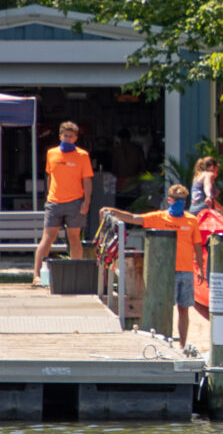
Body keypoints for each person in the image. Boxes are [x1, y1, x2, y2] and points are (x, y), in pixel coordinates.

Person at [105, 184, 198, 342]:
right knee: (165, 308)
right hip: (166, 271)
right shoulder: (159, 217)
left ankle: (183, 344)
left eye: (183, 199)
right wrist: (113, 211)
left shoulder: (192, 220)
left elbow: (196, 244)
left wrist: (201, 270)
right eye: (177, 200)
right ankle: (164, 339)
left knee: (184, 309)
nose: (180, 202)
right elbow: (134, 218)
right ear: (169, 200)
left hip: (186, 270)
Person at [33, 121, 92, 278]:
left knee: (74, 238)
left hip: (75, 201)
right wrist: (49, 196)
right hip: (54, 202)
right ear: (60, 136)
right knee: (47, 238)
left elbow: (87, 180)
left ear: (75, 138)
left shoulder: (82, 155)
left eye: (70, 136)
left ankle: (75, 274)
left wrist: (86, 202)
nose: (67, 138)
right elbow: (49, 175)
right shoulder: (51, 153)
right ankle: (36, 275)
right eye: (65, 135)